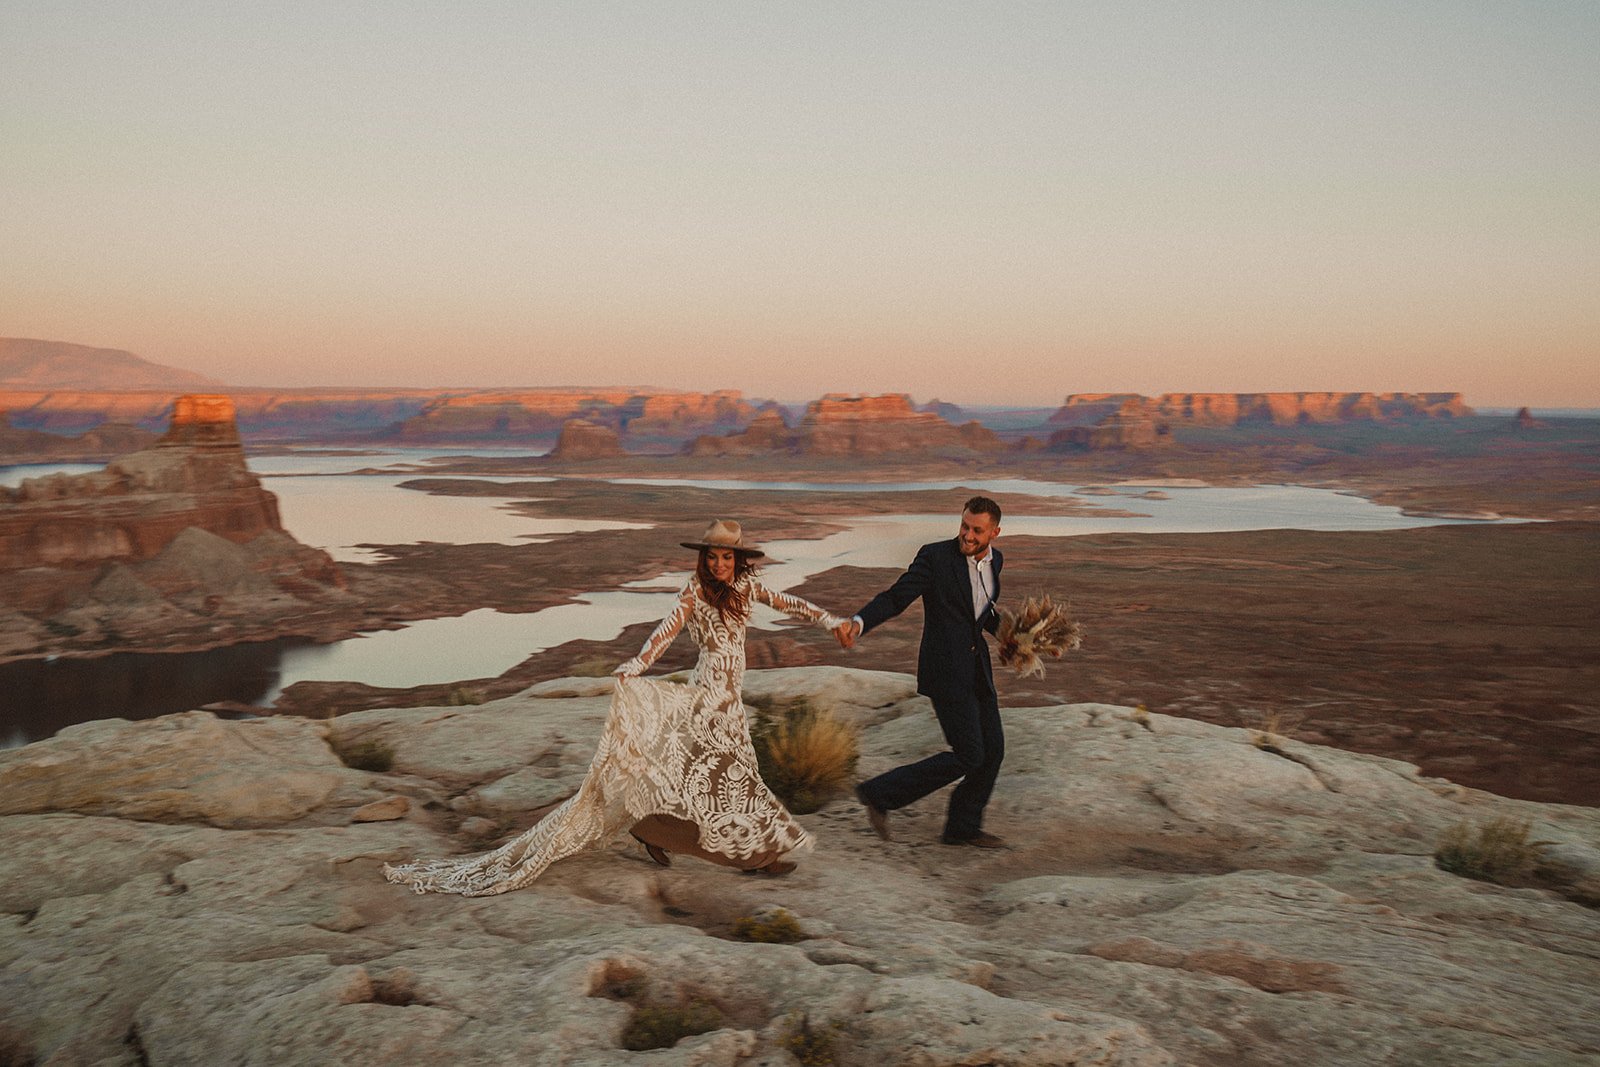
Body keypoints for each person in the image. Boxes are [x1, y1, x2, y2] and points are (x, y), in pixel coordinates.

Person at [383, 519, 851, 896]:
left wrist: (832, 622)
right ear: (703, 560)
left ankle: (654, 829)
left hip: (731, 691)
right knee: (734, 776)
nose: (719, 564)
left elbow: (792, 604)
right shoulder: (694, 591)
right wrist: (637, 665)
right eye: (712, 557)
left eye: (727, 557)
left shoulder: (747, 586)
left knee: (706, 779)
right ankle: (760, 857)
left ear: (739, 559)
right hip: (709, 692)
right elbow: (666, 631)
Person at [840, 495, 1007, 848]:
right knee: (969, 754)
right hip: (946, 672)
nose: (968, 535)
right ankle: (879, 794)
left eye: (977, 530)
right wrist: (859, 622)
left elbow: (982, 612)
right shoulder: (935, 557)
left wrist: (1019, 637)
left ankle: (962, 828)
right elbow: (896, 598)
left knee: (993, 751)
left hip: (978, 671)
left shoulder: (996, 561)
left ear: (994, 533)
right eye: (964, 526)